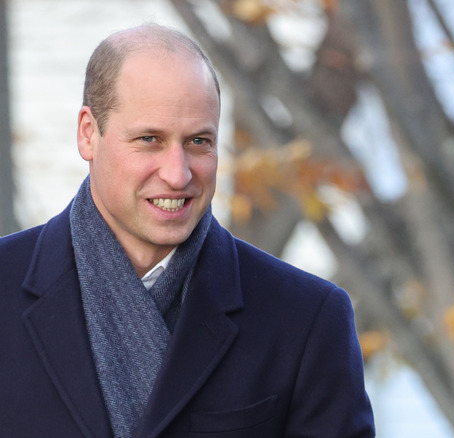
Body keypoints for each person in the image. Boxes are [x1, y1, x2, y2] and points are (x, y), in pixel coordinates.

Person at [0, 24, 374, 437]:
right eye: (149, 139)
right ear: (89, 134)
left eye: (198, 141)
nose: (178, 175)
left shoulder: (305, 320)